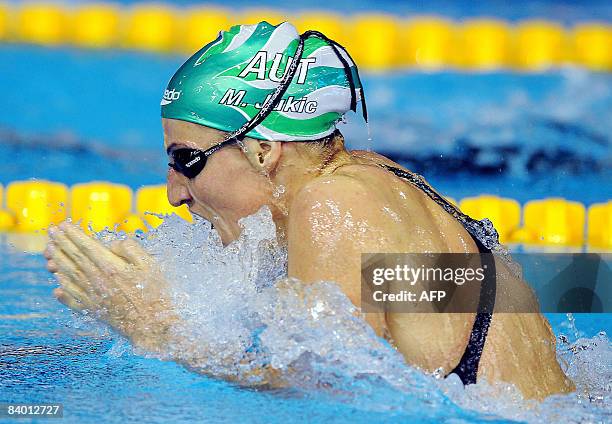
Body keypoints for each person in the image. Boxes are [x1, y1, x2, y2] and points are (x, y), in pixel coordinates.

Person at [44, 21, 574, 400]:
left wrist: (157, 329)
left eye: (187, 160)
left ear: (263, 150)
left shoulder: (331, 206)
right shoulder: (375, 185)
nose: (174, 193)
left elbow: (325, 392)